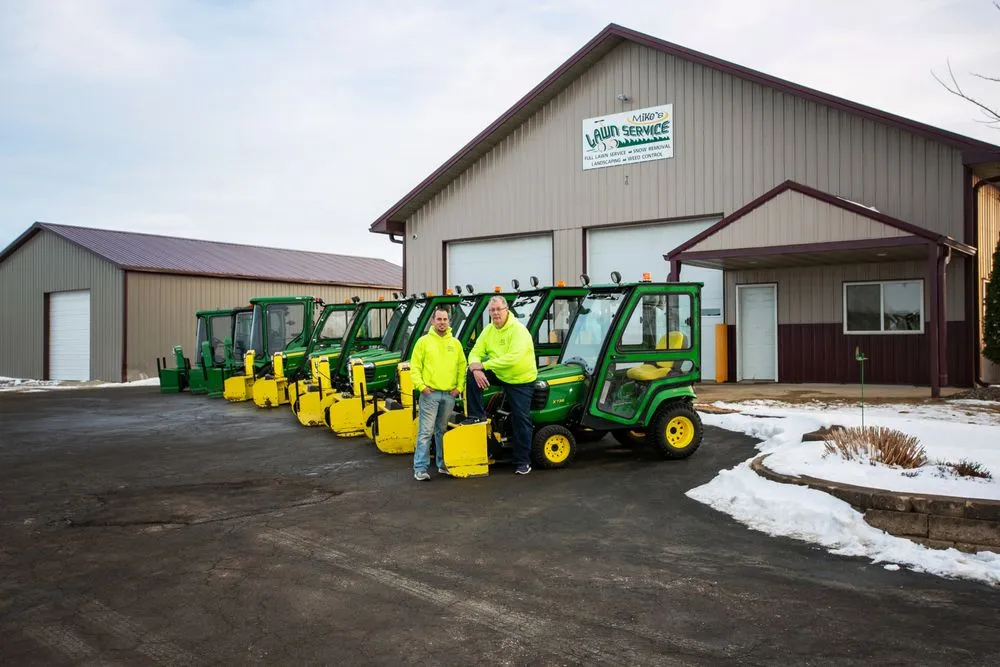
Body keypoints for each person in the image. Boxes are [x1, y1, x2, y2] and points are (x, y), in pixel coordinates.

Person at [466, 295, 537, 475]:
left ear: (506, 310)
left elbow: (513, 358)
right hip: (500, 373)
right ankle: (476, 416)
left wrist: (484, 365)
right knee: (471, 373)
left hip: (520, 379)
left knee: (521, 418)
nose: (495, 313)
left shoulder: (518, 330)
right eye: (492, 310)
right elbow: (475, 352)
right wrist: (476, 369)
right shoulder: (488, 330)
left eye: (499, 309)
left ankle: (523, 461)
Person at [410, 306, 467, 481]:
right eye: (439, 319)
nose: (442, 322)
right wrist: (422, 387)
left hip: (449, 395)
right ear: (432, 321)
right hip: (430, 394)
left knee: (442, 430)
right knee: (425, 431)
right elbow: (415, 367)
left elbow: (461, 366)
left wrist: (459, 388)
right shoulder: (423, 342)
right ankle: (420, 468)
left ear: (449, 322)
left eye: (445, 319)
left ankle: (443, 464)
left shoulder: (455, 343)